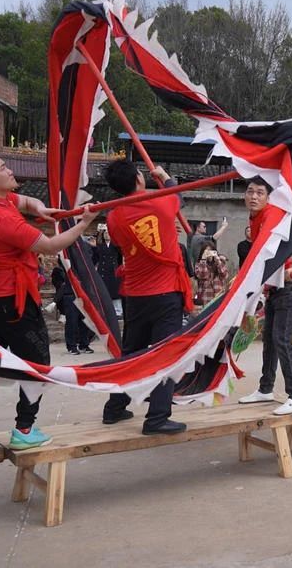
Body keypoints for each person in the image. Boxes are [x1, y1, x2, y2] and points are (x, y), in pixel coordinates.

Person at [0, 150, 98, 451]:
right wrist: (83, 223)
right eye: (2, 168)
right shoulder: (3, 220)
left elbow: (23, 202)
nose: (10, 171)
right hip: (12, 301)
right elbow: (50, 246)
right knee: (38, 364)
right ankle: (24, 428)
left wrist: (40, 208)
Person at [99, 160, 189, 433]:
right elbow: (178, 197)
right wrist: (165, 177)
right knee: (165, 355)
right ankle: (157, 418)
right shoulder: (160, 201)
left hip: (135, 294)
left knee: (131, 354)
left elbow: (118, 243)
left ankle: (114, 409)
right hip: (165, 293)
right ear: (139, 178)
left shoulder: (113, 216)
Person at [238, 177, 292, 414]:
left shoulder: (272, 214)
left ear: (269, 197)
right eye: (250, 192)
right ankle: (265, 388)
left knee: (282, 340)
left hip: (290, 283)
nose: (254, 196)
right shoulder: (256, 218)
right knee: (269, 339)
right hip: (275, 285)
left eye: (259, 193)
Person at [52, 262, 92, 355]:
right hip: (70, 294)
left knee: (84, 322)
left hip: (83, 294)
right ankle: (71, 346)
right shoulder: (65, 262)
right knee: (72, 322)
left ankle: (84, 344)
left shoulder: (82, 261)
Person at [94, 227, 123, 317]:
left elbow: (120, 255)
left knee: (115, 291)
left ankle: (118, 311)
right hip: (103, 270)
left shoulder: (115, 245)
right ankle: (105, 310)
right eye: (105, 233)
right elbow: (96, 257)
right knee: (104, 290)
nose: (107, 234)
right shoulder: (100, 245)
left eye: (108, 233)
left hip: (113, 270)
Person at [194, 241, 229, 307]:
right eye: (206, 251)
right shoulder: (199, 264)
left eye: (210, 251)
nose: (209, 253)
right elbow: (203, 275)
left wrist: (218, 261)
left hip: (218, 296)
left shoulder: (219, 262)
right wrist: (203, 260)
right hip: (205, 297)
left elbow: (225, 275)